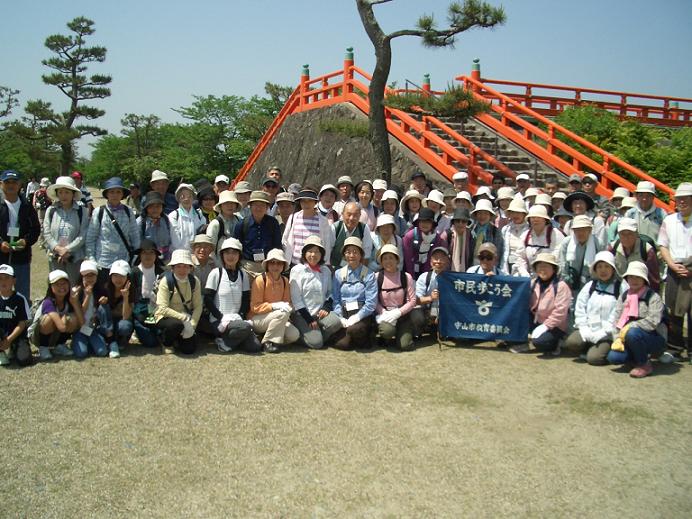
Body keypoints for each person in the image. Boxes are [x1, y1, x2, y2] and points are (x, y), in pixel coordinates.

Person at [564, 251, 625, 365]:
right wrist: (584, 327)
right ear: (595, 269)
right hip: (589, 329)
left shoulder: (620, 288)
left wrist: (604, 331)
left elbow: (619, 313)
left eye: (607, 266)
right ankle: (590, 347)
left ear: (613, 269)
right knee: (572, 342)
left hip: (607, 334)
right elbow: (580, 307)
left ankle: (606, 349)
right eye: (600, 267)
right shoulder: (590, 286)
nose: (603, 270)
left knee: (594, 359)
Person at [607, 261, 666, 378]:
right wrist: (617, 338)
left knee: (632, 333)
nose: (634, 280)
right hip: (628, 337)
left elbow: (653, 321)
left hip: (653, 337)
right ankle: (636, 357)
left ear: (644, 279)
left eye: (638, 277)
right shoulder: (624, 296)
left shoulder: (653, 297)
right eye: (631, 277)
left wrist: (631, 326)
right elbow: (617, 319)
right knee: (614, 357)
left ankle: (644, 364)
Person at [204, 238, 262, 354]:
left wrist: (240, 315)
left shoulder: (242, 274)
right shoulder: (216, 273)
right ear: (222, 255)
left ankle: (227, 340)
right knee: (245, 327)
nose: (231, 256)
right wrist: (221, 317)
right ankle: (228, 340)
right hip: (219, 320)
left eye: (234, 253)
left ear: (239, 255)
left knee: (255, 347)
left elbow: (245, 299)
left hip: (237, 319)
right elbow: (208, 299)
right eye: (227, 252)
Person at [657, 182, 692, 364]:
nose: (682, 202)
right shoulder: (669, 220)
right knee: (673, 310)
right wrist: (671, 264)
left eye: (686, 198)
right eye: (679, 199)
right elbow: (662, 245)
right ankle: (675, 348)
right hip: (673, 268)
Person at [289, 235, 343, 349]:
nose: (313, 255)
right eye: (310, 251)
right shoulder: (297, 270)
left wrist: (326, 307)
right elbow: (296, 299)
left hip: (319, 314)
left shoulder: (326, 271)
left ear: (322, 254)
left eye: (317, 251)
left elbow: (330, 293)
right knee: (316, 343)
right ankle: (300, 335)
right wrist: (308, 319)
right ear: (304, 253)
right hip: (302, 315)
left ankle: (316, 334)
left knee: (336, 322)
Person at [85, 177, 140, 288]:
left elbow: (134, 235)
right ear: (107, 194)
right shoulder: (99, 212)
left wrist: (135, 257)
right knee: (104, 293)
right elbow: (91, 237)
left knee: (121, 292)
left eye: (118, 192)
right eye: (112, 192)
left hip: (123, 261)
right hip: (103, 262)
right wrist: (92, 259)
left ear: (122, 194)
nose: (115, 195)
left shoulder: (128, 211)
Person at [516, 253, 572, 356]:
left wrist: (546, 326)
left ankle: (557, 343)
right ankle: (524, 343)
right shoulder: (533, 283)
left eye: (546, 266)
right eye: (539, 266)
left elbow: (560, 312)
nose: (542, 269)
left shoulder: (561, 286)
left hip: (555, 326)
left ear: (554, 269)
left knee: (539, 342)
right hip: (536, 320)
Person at [0, 169, 41, 300]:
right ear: (1, 184)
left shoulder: (27, 206)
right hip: (1, 256)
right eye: (7, 182)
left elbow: (35, 229)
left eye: (14, 182)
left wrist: (26, 241)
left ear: (19, 185)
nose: (11, 185)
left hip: (21, 257)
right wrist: (0, 243)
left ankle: (23, 313)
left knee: (22, 294)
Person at [330, 237, 377, 350]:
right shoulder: (338, 273)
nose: (351, 255)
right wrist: (340, 317)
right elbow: (336, 299)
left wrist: (357, 317)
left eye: (355, 252)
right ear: (344, 255)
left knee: (354, 330)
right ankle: (353, 337)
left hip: (362, 314)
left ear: (361, 255)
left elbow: (371, 303)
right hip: (344, 312)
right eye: (348, 252)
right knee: (342, 345)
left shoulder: (369, 274)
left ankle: (365, 335)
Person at [248, 248, 299, 353]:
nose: (275, 266)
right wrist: (274, 306)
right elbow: (255, 307)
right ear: (267, 265)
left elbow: (287, 303)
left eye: (279, 263)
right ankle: (267, 342)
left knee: (294, 335)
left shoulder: (285, 281)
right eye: (272, 262)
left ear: (283, 265)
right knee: (282, 313)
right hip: (257, 319)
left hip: (277, 318)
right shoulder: (260, 280)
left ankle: (264, 337)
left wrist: (286, 311)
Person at [42, 176, 88, 285]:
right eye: (60, 192)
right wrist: (57, 249)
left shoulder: (82, 211)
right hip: (55, 256)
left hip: (74, 257)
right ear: (57, 194)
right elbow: (46, 232)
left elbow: (83, 234)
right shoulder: (51, 210)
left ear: (73, 194)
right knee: (57, 285)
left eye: (67, 192)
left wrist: (67, 249)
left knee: (74, 287)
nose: (64, 195)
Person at [155, 249, 202, 355]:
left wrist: (193, 324)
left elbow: (198, 305)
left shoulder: (194, 281)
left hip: (187, 317)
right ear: (172, 268)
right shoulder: (166, 281)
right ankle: (166, 343)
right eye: (178, 266)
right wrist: (183, 318)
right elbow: (162, 308)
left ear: (190, 268)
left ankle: (178, 338)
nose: (182, 270)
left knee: (189, 350)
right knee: (175, 325)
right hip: (167, 317)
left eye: (186, 266)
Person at [374, 244, 417, 350]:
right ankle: (386, 336)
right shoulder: (376, 277)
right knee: (387, 331)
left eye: (391, 258)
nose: (388, 261)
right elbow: (373, 300)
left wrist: (398, 312)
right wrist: (383, 312)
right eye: (385, 258)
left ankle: (403, 333)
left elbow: (412, 301)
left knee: (405, 345)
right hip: (385, 314)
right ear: (381, 262)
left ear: (397, 260)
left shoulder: (406, 277)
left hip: (402, 315)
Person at [35, 269, 84, 361]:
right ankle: (43, 347)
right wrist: (64, 317)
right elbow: (62, 327)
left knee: (74, 318)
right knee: (48, 319)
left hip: (55, 333)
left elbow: (82, 323)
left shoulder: (70, 300)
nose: (61, 287)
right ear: (51, 287)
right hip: (38, 336)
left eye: (64, 283)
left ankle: (59, 345)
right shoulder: (48, 302)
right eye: (57, 284)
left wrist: (75, 303)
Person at [234, 190, 282, 279]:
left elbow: (277, 245)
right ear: (250, 206)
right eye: (255, 205)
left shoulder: (273, 223)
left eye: (262, 205)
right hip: (247, 266)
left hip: (268, 266)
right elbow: (237, 247)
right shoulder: (242, 224)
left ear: (267, 207)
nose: (258, 208)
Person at [282, 187, 333, 268]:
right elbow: (285, 239)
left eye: (310, 201)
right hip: (295, 264)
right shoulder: (293, 217)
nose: (306, 204)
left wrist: (325, 264)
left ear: (315, 202)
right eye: (303, 201)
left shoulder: (323, 221)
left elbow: (326, 244)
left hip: (314, 265)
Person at [93, 260, 134, 359]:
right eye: (115, 276)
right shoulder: (105, 288)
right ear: (110, 276)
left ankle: (119, 340)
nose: (118, 279)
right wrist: (101, 302)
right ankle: (112, 342)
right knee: (103, 307)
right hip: (107, 322)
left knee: (125, 326)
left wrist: (125, 297)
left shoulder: (131, 290)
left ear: (127, 277)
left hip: (120, 321)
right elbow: (98, 313)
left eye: (122, 276)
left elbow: (126, 316)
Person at [409, 246, 450, 339]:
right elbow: (416, 300)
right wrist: (430, 298)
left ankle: (441, 330)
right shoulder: (424, 277)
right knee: (415, 313)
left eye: (442, 258)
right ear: (431, 261)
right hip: (427, 311)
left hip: (444, 312)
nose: (438, 261)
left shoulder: (453, 279)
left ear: (447, 261)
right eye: (436, 258)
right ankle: (418, 330)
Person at [609, 218, 660, 291]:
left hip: (641, 290)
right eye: (622, 234)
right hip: (617, 289)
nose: (626, 237)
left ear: (636, 234)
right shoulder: (613, 247)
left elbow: (654, 279)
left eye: (630, 233)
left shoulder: (647, 250)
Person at [128, 240, 163, 349]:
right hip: (139, 310)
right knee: (151, 342)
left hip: (156, 308)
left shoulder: (161, 272)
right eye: (144, 253)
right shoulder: (134, 272)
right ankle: (137, 328)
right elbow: (130, 295)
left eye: (151, 252)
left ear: (156, 255)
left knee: (161, 335)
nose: (148, 256)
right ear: (140, 255)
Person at [514, 205, 564, 278]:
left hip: (551, 276)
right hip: (529, 277)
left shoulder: (556, 234)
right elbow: (520, 257)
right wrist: (524, 274)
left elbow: (558, 258)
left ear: (545, 220)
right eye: (533, 217)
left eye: (539, 217)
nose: (535, 220)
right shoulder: (525, 235)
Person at [71, 260, 108, 358]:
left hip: (92, 329)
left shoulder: (100, 290)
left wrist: (104, 301)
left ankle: (91, 343)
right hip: (80, 328)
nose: (90, 278)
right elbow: (80, 313)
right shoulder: (76, 291)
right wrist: (87, 296)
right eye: (86, 275)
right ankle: (79, 342)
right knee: (82, 353)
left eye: (92, 275)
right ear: (82, 276)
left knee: (102, 352)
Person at [557, 215, 601, 295]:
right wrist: (566, 280)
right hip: (571, 283)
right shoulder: (566, 242)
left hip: (591, 283)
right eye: (577, 230)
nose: (580, 233)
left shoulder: (597, 243)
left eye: (584, 229)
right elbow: (562, 264)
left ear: (590, 230)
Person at [0, 264, 32, 367]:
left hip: (17, 336)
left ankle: (14, 348)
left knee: (24, 360)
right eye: (0, 278)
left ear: (14, 280)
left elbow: (22, 323)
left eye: (7, 278)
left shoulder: (20, 299)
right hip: (1, 335)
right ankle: (1, 353)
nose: (3, 281)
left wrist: (9, 340)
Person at [402, 207, 445, 280]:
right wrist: (412, 279)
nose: (425, 224)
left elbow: (432, 258)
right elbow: (408, 260)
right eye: (422, 221)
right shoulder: (409, 236)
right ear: (418, 222)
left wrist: (426, 278)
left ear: (432, 224)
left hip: (429, 273)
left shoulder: (437, 238)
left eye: (428, 222)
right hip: (410, 272)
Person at [330, 201, 373, 268]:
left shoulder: (363, 228)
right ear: (342, 214)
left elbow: (366, 254)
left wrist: (361, 272)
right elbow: (328, 252)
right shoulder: (335, 228)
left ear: (360, 215)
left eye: (355, 215)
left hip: (357, 268)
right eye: (349, 214)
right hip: (335, 267)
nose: (351, 218)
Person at [137, 191, 172, 262]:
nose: (155, 209)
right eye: (151, 206)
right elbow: (137, 243)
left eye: (158, 206)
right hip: (148, 258)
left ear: (162, 207)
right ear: (146, 208)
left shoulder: (166, 219)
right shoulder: (141, 222)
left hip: (166, 258)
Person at [206, 190, 241, 257]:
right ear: (220, 206)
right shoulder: (215, 224)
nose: (230, 206)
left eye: (232, 203)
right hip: (219, 260)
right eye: (226, 203)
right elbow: (210, 247)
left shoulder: (239, 220)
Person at [470, 199, 504, 266]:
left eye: (485, 213)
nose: (482, 216)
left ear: (490, 215)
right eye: (480, 213)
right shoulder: (471, 229)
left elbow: (498, 251)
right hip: (472, 263)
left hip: (488, 263)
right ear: (476, 215)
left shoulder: (495, 231)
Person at [500, 198, 529, 275]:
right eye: (513, 212)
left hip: (525, 267)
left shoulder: (530, 230)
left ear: (524, 214)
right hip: (507, 266)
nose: (515, 215)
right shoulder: (506, 229)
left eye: (518, 212)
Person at [447, 208, 474, 273]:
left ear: (467, 223)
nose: (460, 224)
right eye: (457, 221)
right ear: (453, 222)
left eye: (463, 221)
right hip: (448, 270)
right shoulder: (447, 234)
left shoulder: (470, 235)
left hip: (466, 270)